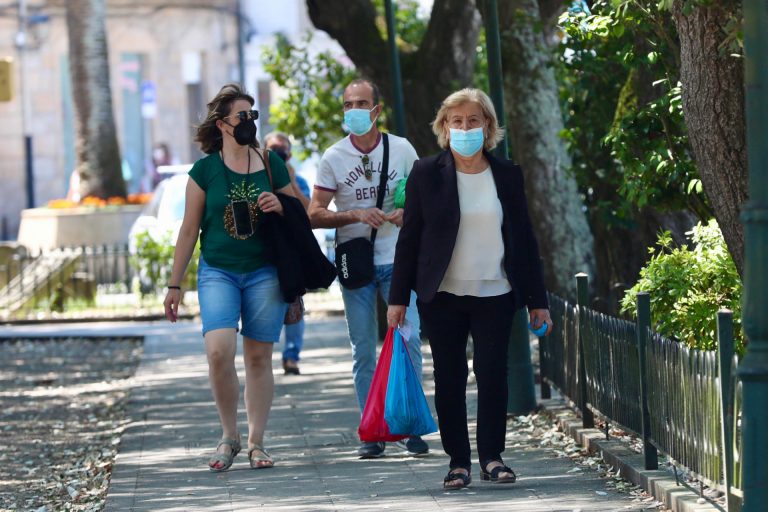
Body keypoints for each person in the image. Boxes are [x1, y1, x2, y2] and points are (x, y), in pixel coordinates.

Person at [386, 88, 553, 490]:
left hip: (495, 291)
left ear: (488, 127)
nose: (464, 128)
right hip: (442, 294)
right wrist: (397, 299)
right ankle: (458, 461)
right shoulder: (427, 173)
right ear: (444, 127)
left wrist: (538, 300)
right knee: (450, 376)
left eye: (473, 120)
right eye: (456, 121)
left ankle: (492, 457)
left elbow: (525, 240)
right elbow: (409, 240)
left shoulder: (507, 174)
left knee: (493, 374)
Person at [163, 83, 295, 472]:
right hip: (218, 270)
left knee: (258, 356)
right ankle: (228, 435)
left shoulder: (272, 163)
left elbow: (299, 212)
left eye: (253, 116)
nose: (249, 122)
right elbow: (188, 231)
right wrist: (175, 284)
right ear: (222, 124)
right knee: (219, 351)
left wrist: (280, 204)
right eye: (242, 116)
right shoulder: (204, 171)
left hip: (264, 272)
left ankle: (256, 442)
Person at [308, 78, 428, 458]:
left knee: (407, 342)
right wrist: (354, 214)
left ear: (376, 110)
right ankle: (371, 430)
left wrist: (405, 214)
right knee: (363, 349)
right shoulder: (333, 158)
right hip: (357, 264)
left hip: (399, 261)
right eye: (347, 105)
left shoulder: (402, 150)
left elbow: (429, 200)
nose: (354, 110)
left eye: (361, 103)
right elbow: (314, 214)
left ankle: (409, 425)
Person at [264, 131, 310, 375]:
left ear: (290, 154)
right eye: (273, 150)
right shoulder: (256, 177)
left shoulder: (298, 180)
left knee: (293, 305)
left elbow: (308, 213)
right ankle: (263, 357)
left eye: (282, 151)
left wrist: (290, 183)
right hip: (266, 253)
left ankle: (291, 356)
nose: (278, 156)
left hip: (291, 252)